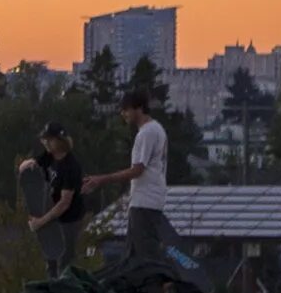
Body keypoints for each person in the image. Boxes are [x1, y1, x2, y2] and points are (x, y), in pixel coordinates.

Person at [82, 87, 172, 261]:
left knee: (145, 256)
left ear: (138, 108)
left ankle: (158, 285)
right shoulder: (156, 129)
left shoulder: (146, 133)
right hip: (149, 200)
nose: (123, 114)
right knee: (132, 255)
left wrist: (102, 179)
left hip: (145, 201)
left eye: (126, 110)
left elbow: (137, 169)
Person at [25, 123, 86, 274]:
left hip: (68, 222)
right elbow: (33, 165)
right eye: (44, 140)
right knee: (50, 263)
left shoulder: (70, 166)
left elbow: (64, 203)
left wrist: (41, 222)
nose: (45, 143)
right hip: (52, 221)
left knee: (64, 264)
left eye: (49, 140)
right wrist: (27, 165)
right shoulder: (50, 157)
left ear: (60, 140)